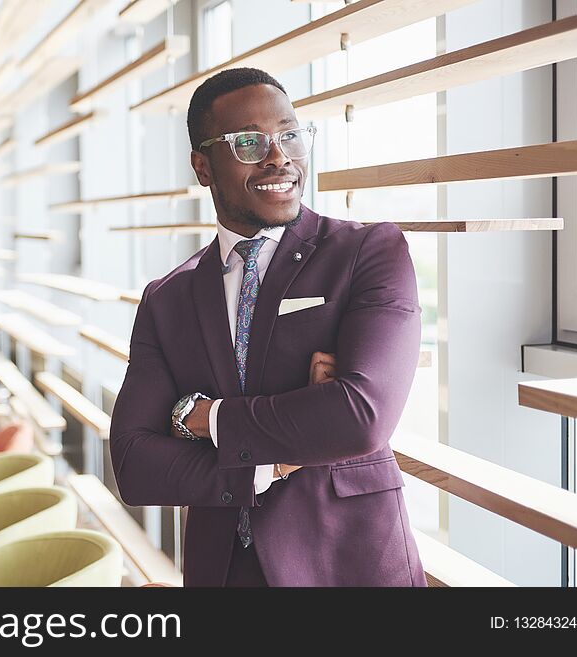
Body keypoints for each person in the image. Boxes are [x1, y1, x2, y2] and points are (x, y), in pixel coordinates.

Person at [109, 67, 427, 587]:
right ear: (203, 166)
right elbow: (134, 463)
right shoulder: (167, 299)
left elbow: (361, 416)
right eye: (249, 142)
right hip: (224, 575)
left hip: (348, 566)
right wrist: (269, 467)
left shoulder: (369, 253)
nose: (278, 156)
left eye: (289, 135)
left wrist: (204, 420)